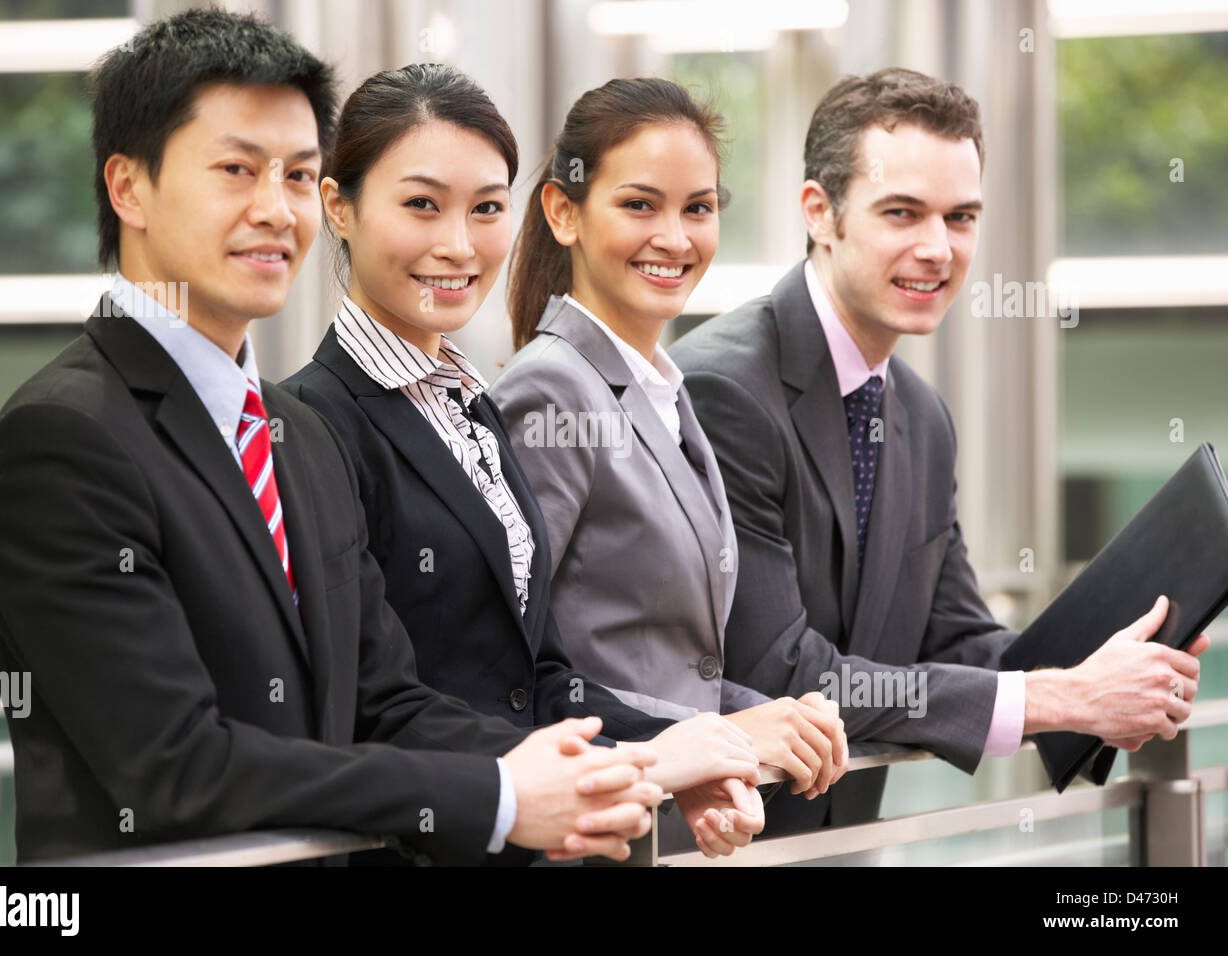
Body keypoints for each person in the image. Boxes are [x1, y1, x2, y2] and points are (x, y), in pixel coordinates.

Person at [0, 8, 662, 866]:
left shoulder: (296, 433)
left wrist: (605, 775)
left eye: (297, 175)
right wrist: (500, 796)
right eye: (235, 170)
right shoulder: (64, 438)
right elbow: (176, 766)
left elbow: (387, 702)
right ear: (128, 188)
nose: (275, 209)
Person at [669, 67, 1211, 834]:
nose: (937, 248)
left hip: (842, 845)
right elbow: (784, 676)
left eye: (960, 218)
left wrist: (1113, 661)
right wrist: (1066, 699)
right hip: (710, 845)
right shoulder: (724, 390)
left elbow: (957, 640)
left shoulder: (920, 417)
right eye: (903, 213)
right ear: (819, 213)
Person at [281, 65, 763, 859]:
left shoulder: (472, 410)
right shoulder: (311, 423)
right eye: (421, 205)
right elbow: (380, 701)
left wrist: (685, 753)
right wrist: (644, 761)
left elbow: (540, 673)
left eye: (486, 208)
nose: (459, 245)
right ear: (339, 206)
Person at [490, 77, 850, 845]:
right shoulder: (552, 390)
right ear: (564, 212)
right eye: (639, 205)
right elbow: (514, 670)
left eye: (699, 208)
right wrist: (721, 738)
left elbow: (669, 662)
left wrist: (765, 716)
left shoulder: (663, 387)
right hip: (591, 833)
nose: (676, 238)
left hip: (666, 823)